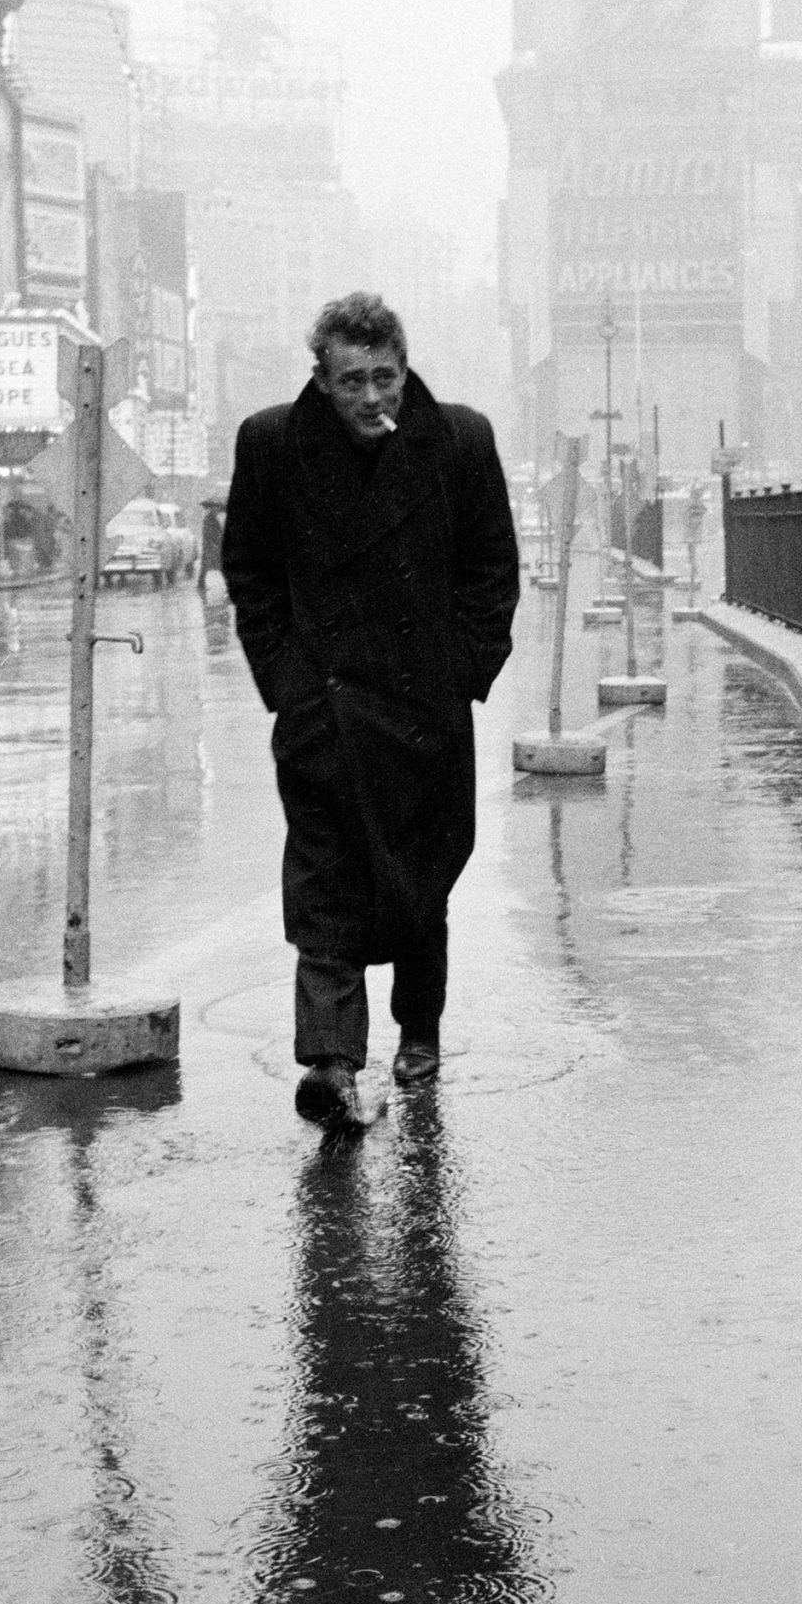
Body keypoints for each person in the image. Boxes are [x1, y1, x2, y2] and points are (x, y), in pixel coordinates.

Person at [223, 293, 520, 1131]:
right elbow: (248, 570)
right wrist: (285, 679)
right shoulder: (273, 443)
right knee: (325, 883)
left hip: (425, 710)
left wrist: (463, 668)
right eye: (350, 381)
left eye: (383, 377)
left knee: (421, 879)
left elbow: (491, 569)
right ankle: (330, 1060)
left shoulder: (458, 441)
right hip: (324, 707)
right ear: (320, 379)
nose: (370, 399)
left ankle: (417, 1028)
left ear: (403, 366)